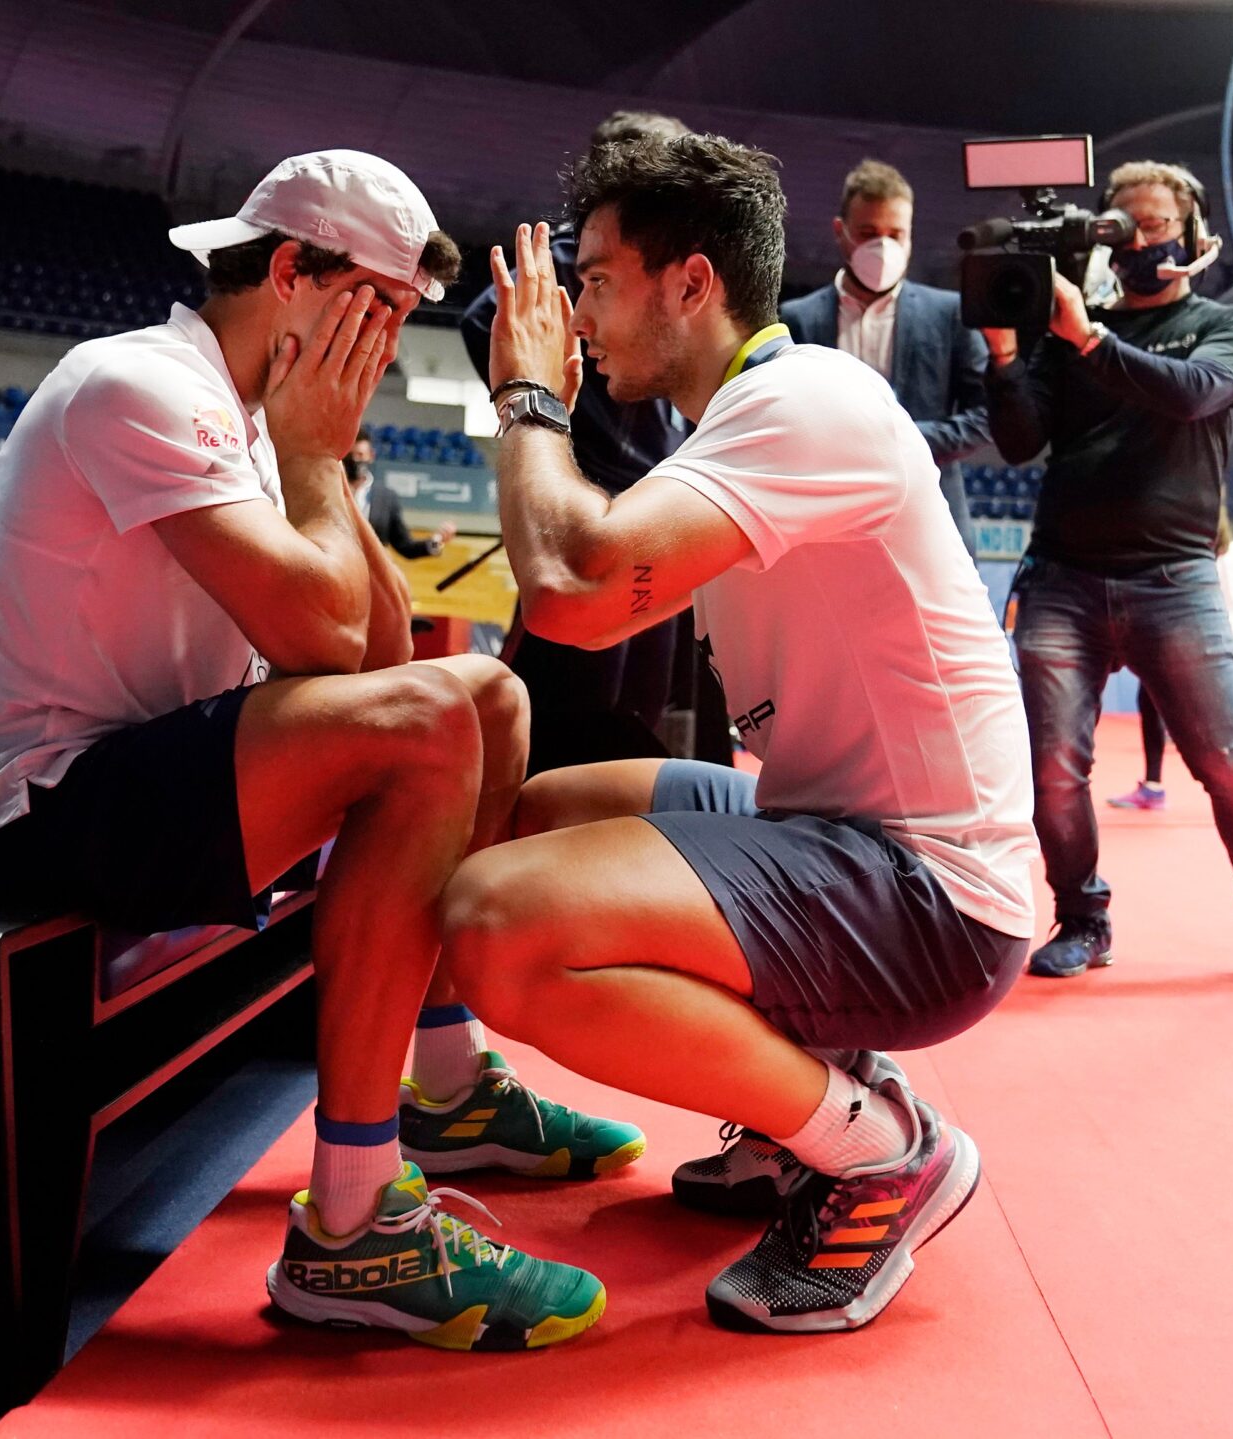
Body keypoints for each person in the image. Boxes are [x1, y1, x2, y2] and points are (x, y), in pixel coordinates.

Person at [0, 150, 640, 1354]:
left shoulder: (254, 418)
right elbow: (326, 642)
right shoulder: (137, 384)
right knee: (429, 722)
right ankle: (354, 1228)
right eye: (379, 307)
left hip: (145, 768)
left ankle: (448, 1087)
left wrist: (323, 463)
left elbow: (374, 647)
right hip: (37, 799)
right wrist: (313, 458)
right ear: (293, 270)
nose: (390, 341)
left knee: (489, 699)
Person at [441, 132, 1038, 1334]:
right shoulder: (732, 417)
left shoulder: (806, 401)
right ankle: (799, 1112)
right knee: (544, 811)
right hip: (833, 826)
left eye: (597, 279)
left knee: (497, 921)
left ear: (693, 284)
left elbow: (567, 580)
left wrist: (526, 393)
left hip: (936, 897)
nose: (579, 310)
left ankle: (874, 1149)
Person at [982, 159, 1233, 989]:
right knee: (1051, 767)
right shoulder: (1069, 327)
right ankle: (1082, 918)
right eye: (1123, 228)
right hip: (1064, 577)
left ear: (1193, 239)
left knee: (1227, 762)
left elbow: (1190, 396)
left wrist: (1089, 338)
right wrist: (1007, 355)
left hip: (1176, 576)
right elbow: (1017, 439)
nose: (1140, 242)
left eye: (1157, 227)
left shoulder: (1224, 326)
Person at [462, 109, 726, 772]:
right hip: (589, 502)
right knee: (562, 707)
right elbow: (481, 320)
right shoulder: (569, 266)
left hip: (655, 506)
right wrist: (564, 427)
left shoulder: (667, 269)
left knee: (643, 711)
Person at [780, 159, 997, 558]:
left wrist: (900, 439)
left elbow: (987, 415)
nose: (883, 247)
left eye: (896, 234)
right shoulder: (796, 318)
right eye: (868, 233)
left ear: (911, 235)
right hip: (823, 524)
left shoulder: (951, 314)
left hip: (927, 522)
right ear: (840, 232)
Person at [1111, 509, 1233, 812]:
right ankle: (1154, 785)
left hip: (1210, 636)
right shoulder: (1195, 553)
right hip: (1193, 636)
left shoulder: (1222, 555)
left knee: (1210, 715)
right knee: (1159, 702)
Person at [348, 429, 454, 558]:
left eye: (360, 455)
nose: (354, 459)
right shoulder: (328, 492)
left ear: (371, 456)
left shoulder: (387, 497)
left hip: (371, 574)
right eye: (349, 455)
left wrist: (437, 540)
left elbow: (405, 546)